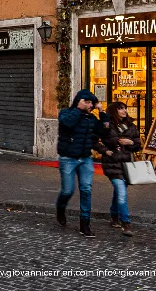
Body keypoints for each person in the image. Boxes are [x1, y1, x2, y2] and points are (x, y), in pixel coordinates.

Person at [56, 89, 103, 237]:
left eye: (91, 103)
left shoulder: (91, 118)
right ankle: (61, 207)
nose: (89, 105)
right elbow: (67, 124)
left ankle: (85, 224)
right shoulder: (65, 113)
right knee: (68, 190)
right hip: (68, 158)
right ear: (79, 101)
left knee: (86, 190)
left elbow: (103, 131)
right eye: (87, 102)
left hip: (85, 158)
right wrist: (78, 109)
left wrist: (101, 112)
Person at [95, 101, 141, 236]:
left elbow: (138, 144)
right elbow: (95, 139)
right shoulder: (108, 125)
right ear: (114, 111)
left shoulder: (131, 125)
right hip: (112, 164)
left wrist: (131, 142)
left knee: (119, 191)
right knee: (122, 192)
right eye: (121, 109)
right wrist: (106, 151)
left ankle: (114, 216)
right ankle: (126, 224)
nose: (124, 111)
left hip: (126, 164)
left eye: (125, 108)